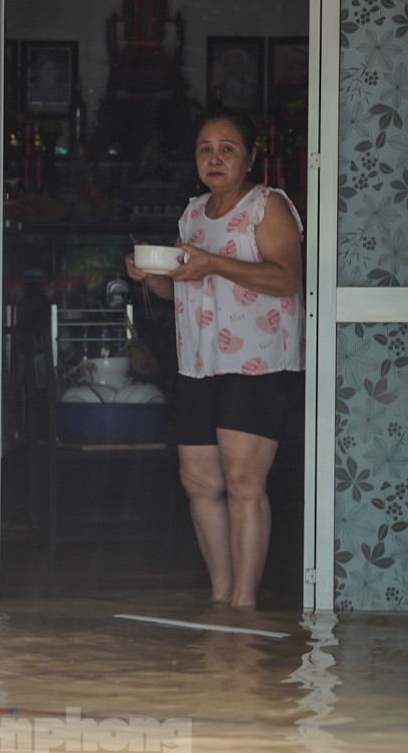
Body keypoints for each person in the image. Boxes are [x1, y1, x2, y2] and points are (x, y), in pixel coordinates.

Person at [125, 111, 304, 608]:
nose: (215, 158)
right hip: (199, 363)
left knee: (245, 483)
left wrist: (212, 263)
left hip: (255, 365)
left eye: (228, 148)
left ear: (250, 155)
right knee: (200, 482)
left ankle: (244, 602)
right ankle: (221, 593)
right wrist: (151, 278)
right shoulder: (192, 214)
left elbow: (286, 278)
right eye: (205, 148)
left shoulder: (267, 207)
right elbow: (184, 288)